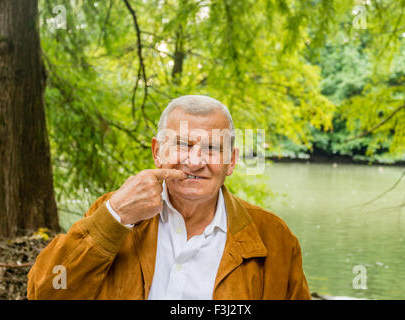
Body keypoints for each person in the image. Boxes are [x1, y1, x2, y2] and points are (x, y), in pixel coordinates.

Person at [27, 95, 311, 300]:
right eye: (181, 144)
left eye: (211, 147)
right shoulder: (113, 214)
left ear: (231, 161)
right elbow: (45, 293)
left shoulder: (275, 239)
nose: (195, 161)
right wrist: (115, 217)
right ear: (157, 152)